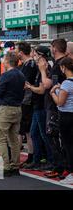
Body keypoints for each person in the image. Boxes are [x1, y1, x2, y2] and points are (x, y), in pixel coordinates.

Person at [0, 51, 25, 177]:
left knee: (0, 138)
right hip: (17, 108)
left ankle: (6, 166)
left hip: (6, 108)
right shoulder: (20, 74)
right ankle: (15, 166)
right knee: (13, 139)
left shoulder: (6, 75)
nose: (2, 60)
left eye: (4, 58)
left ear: (8, 61)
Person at [50, 57, 73, 185]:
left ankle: (71, 172)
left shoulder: (66, 83)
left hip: (66, 116)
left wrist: (53, 92)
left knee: (67, 145)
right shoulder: (66, 84)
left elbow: (60, 102)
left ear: (64, 68)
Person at [16, 41, 37, 167]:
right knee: (25, 130)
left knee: (26, 131)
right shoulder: (26, 64)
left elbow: (26, 84)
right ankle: (29, 156)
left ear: (21, 52)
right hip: (25, 100)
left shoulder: (30, 65)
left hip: (27, 101)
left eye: (18, 51)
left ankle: (30, 156)